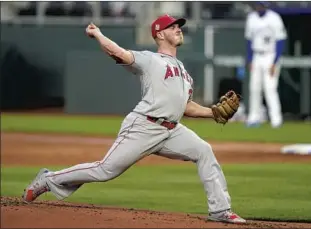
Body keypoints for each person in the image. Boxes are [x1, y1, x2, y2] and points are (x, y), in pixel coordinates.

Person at [22, 14, 246, 224]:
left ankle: (220, 210)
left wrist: (213, 112)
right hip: (144, 125)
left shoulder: (184, 72)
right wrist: (99, 35)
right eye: (173, 27)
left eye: (179, 27)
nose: (178, 29)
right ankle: (49, 179)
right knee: (105, 170)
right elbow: (118, 53)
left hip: (171, 130)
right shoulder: (150, 60)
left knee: (204, 150)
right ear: (159, 34)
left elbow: (185, 107)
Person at [245, 2, 287, 128]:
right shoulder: (251, 18)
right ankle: (253, 118)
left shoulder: (274, 18)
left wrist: (275, 62)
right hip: (257, 55)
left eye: (262, 5)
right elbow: (248, 40)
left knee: (270, 88)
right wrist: (249, 59)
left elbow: (280, 40)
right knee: (254, 88)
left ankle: (276, 120)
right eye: (258, 4)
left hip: (270, 55)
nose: (259, 7)